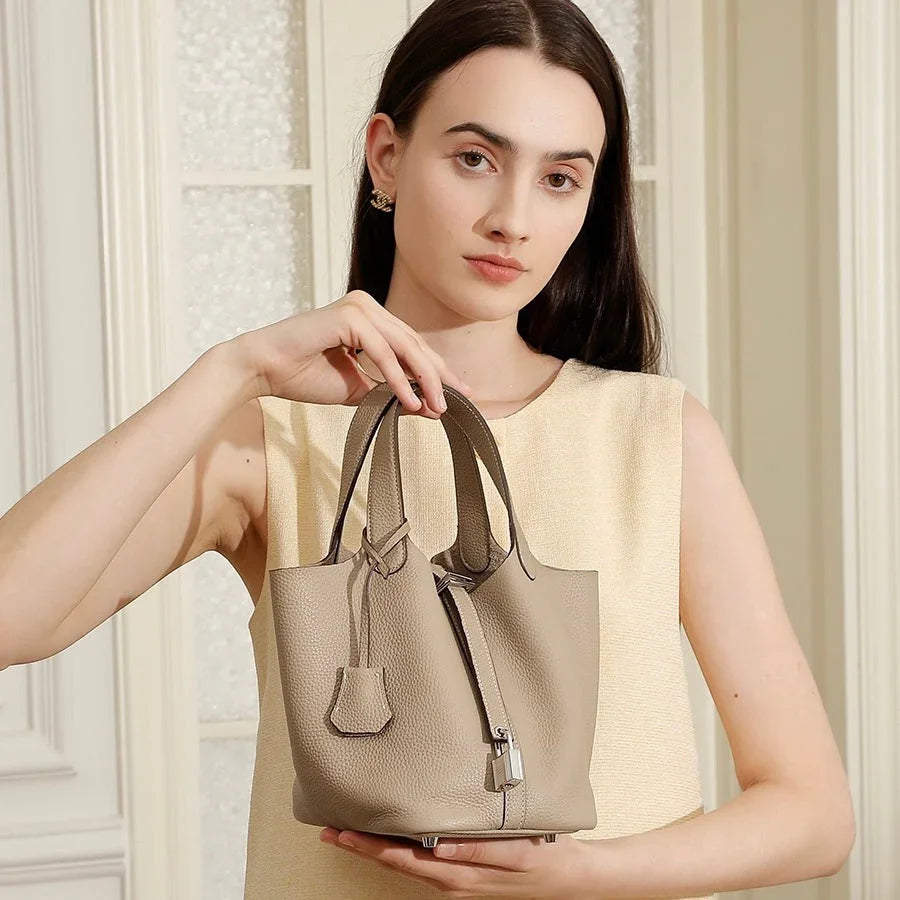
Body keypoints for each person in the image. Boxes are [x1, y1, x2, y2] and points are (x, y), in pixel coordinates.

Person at [0, 0, 854, 898]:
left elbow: (812, 812)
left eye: (560, 179)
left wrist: (581, 875)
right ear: (387, 156)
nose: (513, 218)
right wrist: (230, 371)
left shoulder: (655, 433)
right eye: (476, 159)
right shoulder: (271, 437)